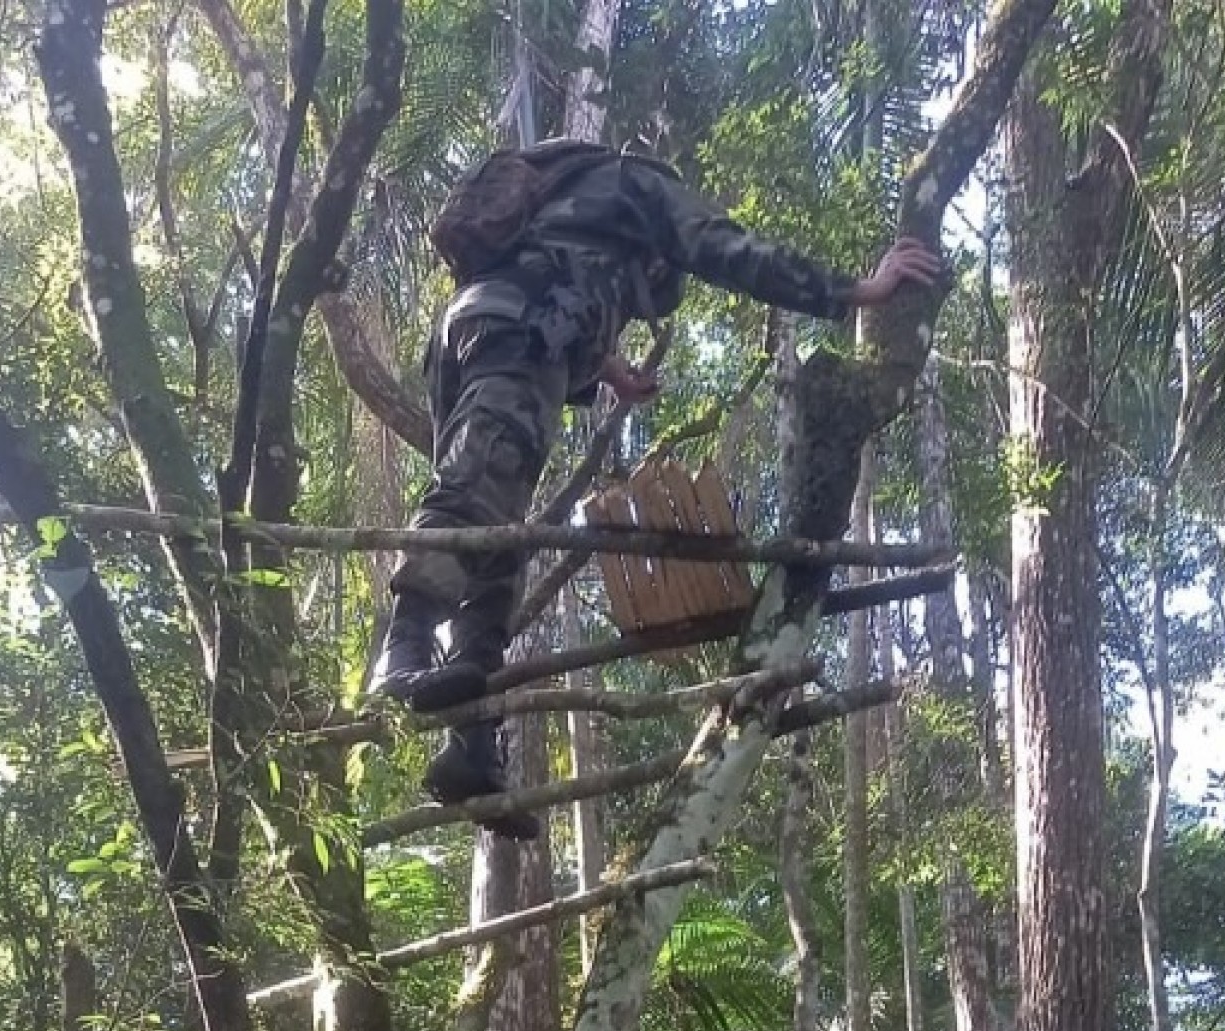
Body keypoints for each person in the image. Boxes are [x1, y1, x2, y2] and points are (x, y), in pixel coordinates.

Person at [372, 138, 942, 839]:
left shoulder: (564, 202)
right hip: (519, 334)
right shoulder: (639, 184)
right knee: (476, 488)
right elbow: (729, 251)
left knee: (496, 527)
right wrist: (858, 290)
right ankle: (400, 653)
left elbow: (558, 277)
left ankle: (469, 743)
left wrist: (607, 368)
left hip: (471, 333)